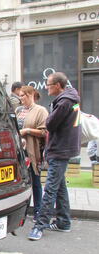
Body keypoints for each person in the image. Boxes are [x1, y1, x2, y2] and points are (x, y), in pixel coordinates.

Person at [28, 72, 81, 241]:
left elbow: (50, 124)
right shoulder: (70, 99)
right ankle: (64, 222)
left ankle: (40, 226)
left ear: (58, 85)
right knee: (59, 187)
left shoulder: (64, 102)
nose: (46, 87)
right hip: (63, 148)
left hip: (60, 149)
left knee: (50, 188)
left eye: (49, 85)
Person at [18, 86, 49, 222]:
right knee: (21, 183)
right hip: (19, 152)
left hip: (32, 151)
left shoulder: (40, 111)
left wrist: (27, 130)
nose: (20, 99)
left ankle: (38, 211)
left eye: (22, 96)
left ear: (30, 95)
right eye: (19, 96)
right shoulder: (19, 110)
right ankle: (22, 210)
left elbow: (44, 131)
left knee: (35, 182)